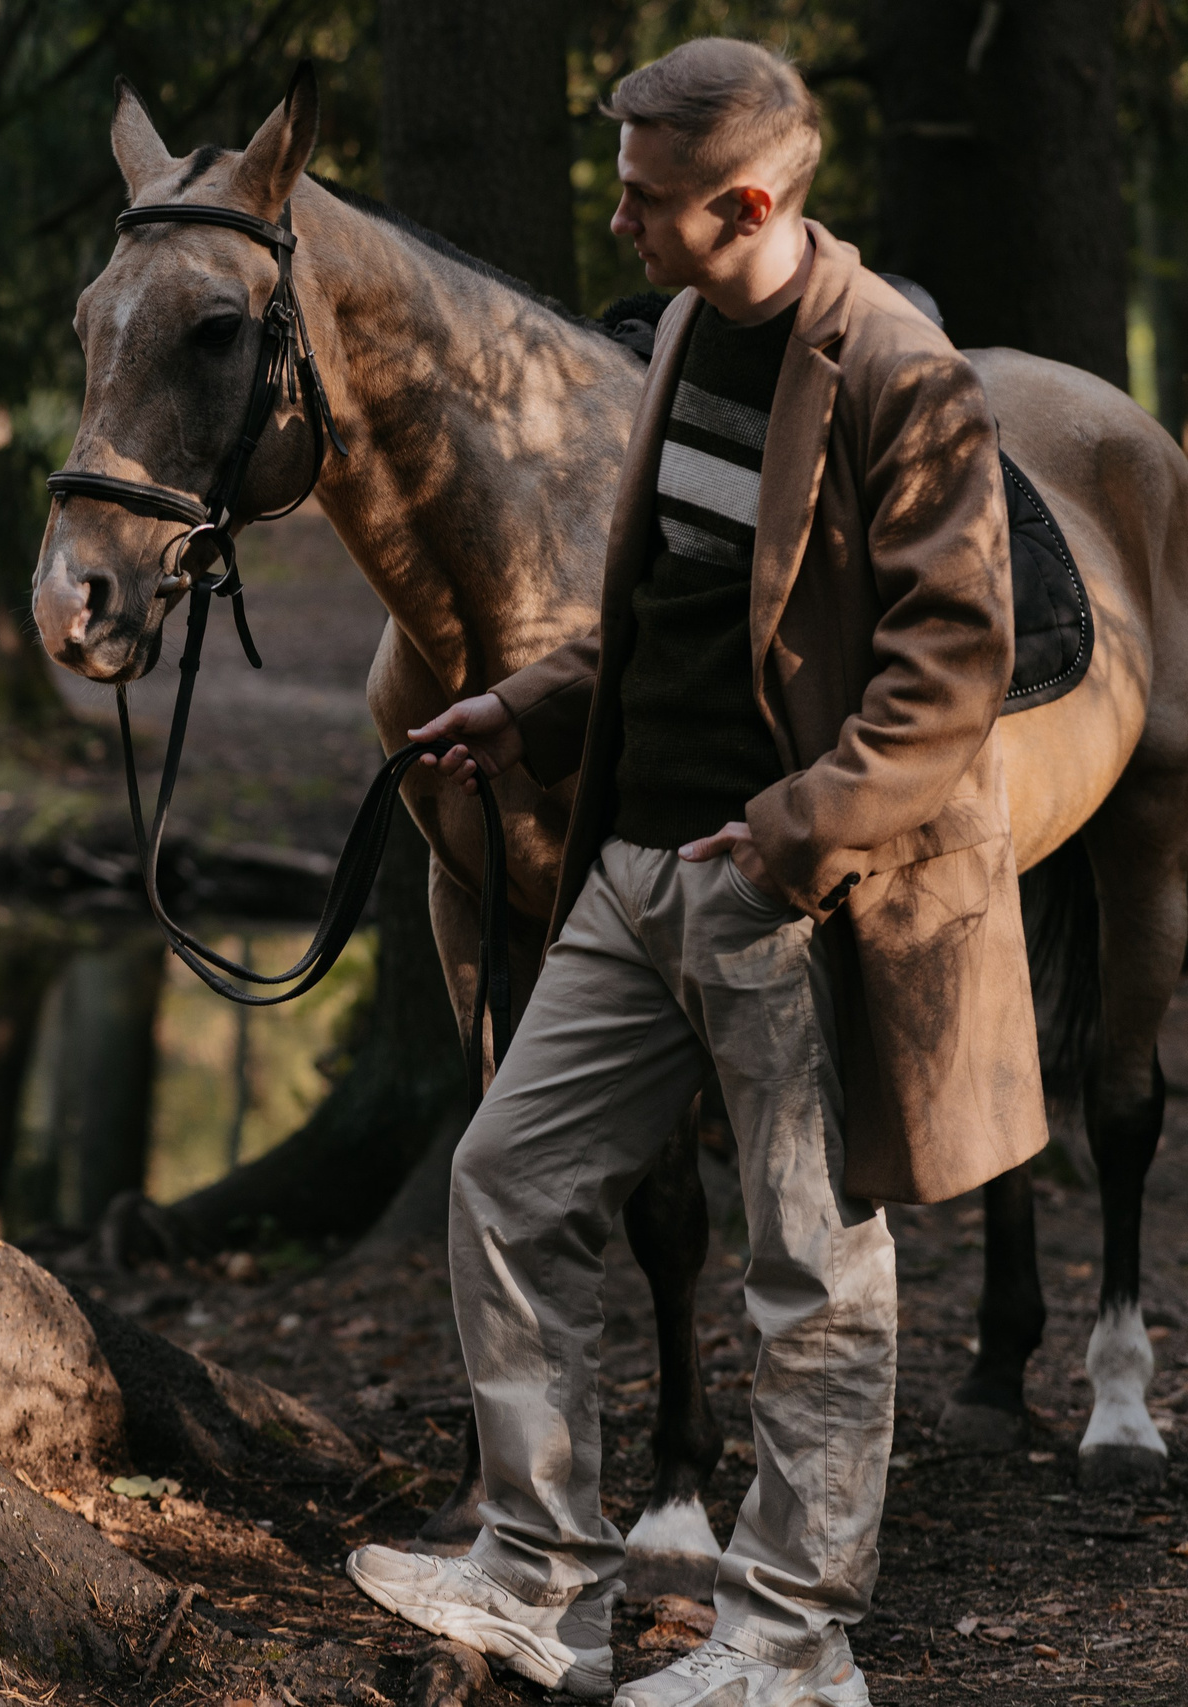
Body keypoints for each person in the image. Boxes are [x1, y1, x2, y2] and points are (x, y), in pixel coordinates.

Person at [344, 38, 1045, 1707]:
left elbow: (955, 663)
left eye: (645, 199)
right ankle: (543, 1583)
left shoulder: (902, 374)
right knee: (508, 1178)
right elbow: (670, 611)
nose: (617, 221)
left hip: (790, 890)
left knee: (810, 1271)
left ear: (746, 203)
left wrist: (796, 830)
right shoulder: (675, 334)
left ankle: (793, 1645)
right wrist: (530, 706)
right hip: (630, 861)